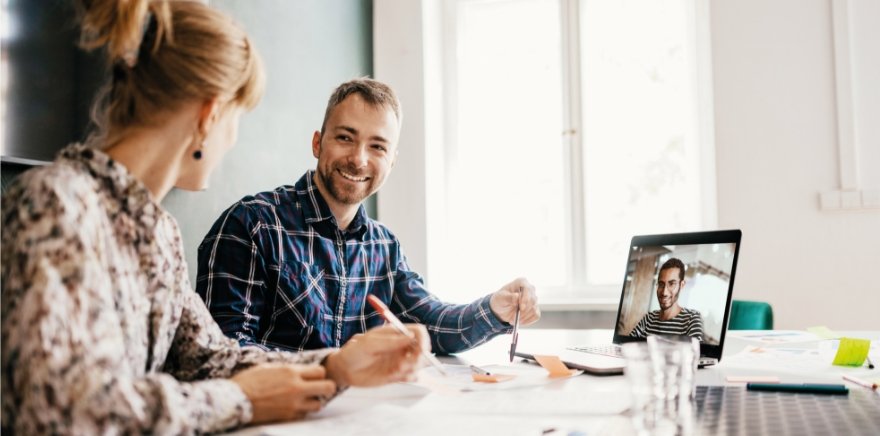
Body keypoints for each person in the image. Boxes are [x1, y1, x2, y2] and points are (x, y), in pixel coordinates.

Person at [0, 2, 429, 434]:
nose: (232, 139)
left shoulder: (158, 231)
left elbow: (207, 356)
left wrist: (335, 364)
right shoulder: (54, 204)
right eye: (236, 118)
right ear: (209, 115)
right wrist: (241, 398)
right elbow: (62, 414)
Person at [195, 78, 540, 353]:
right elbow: (224, 351)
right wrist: (335, 366)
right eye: (345, 138)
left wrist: (495, 310)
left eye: (377, 146)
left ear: (392, 161)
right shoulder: (250, 225)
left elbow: (433, 325)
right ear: (318, 143)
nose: (359, 159)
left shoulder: (384, 247)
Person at [629, 258, 704, 340]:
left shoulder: (691, 319)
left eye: (671, 284)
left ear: (681, 285)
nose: (664, 292)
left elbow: (695, 352)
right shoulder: (648, 319)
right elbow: (626, 345)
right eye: (661, 284)